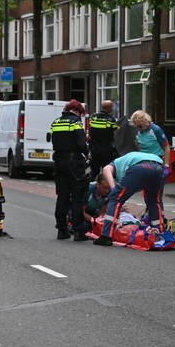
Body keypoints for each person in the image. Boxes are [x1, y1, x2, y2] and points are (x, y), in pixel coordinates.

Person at [93, 151, 165, 247]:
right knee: (154, 201)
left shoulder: (115, 164)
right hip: (158, 168)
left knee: (115, 198)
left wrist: (113, 188)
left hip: (139, 168)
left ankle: (106, 236)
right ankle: (159, 232)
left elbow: (106, 169)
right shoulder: (127, 159)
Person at [49, 99, 89, 241]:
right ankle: (78, 231)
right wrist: (87, 153)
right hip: (74, 162)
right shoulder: (75, 122)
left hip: (59, 161)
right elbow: (81, 143)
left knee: (62, 196)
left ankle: (61, 229)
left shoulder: (55, 122)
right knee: (77, 197)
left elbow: (54, 141)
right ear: (77, 111)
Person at [130, 110, 171, 178]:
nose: (138, 128)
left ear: (145, 122)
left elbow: (166, 147)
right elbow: (138, 147)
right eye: (136, 126)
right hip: (142, 160)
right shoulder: (137, 131)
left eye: (140, 126)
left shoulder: (156, 130)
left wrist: (166, 166)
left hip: (156, 160)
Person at [87, 100, 119, 179]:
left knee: (94, 170)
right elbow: (115, 134)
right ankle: (106, 185)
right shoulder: (111, 119)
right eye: (111, 107)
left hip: (93, 148)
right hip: (106, 149)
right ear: (109, 108)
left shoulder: (93, 117)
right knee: (106, 169)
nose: (112, 109)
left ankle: (90, 184)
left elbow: (90, 130)